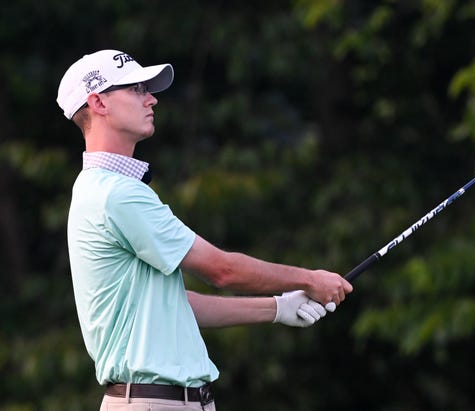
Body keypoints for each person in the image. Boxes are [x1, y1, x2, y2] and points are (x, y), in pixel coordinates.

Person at [57, 49, 353, 411]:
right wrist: (309, 279)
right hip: (154, 403)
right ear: (98, 103)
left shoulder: (105, 189)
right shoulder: (115, 194)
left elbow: (177, 306)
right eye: (136, 89)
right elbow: (222, 270)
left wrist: (278, 307)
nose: (151, 99)